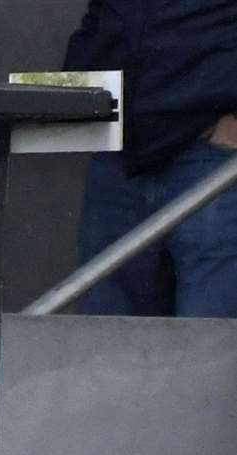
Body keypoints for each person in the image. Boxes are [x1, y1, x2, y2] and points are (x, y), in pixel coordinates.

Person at [67, 0, 237, 317]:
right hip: (119, 149)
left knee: (213, 340)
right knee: (105, 333)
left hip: (212, 155)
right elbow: (107, 18)